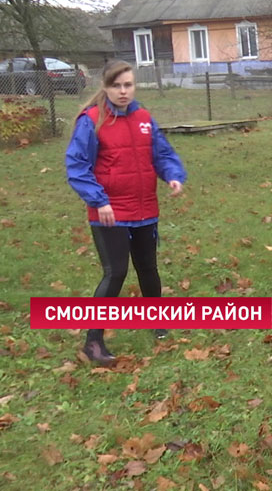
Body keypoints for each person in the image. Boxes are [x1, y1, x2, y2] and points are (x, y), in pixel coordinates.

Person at [65, 59, 186, 364]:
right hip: (109, 213)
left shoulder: (144, 117)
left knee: (148, 268)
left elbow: (161, 153)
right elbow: (77, 166)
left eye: (128, 85)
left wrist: (172, 174)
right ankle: (93, 342)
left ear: (135, 85)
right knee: (115, 272)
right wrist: (99, 200)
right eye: (116, 85)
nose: (123, 91)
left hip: (145, 208)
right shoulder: (91, 120)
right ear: (105, 87)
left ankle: (157, 320)